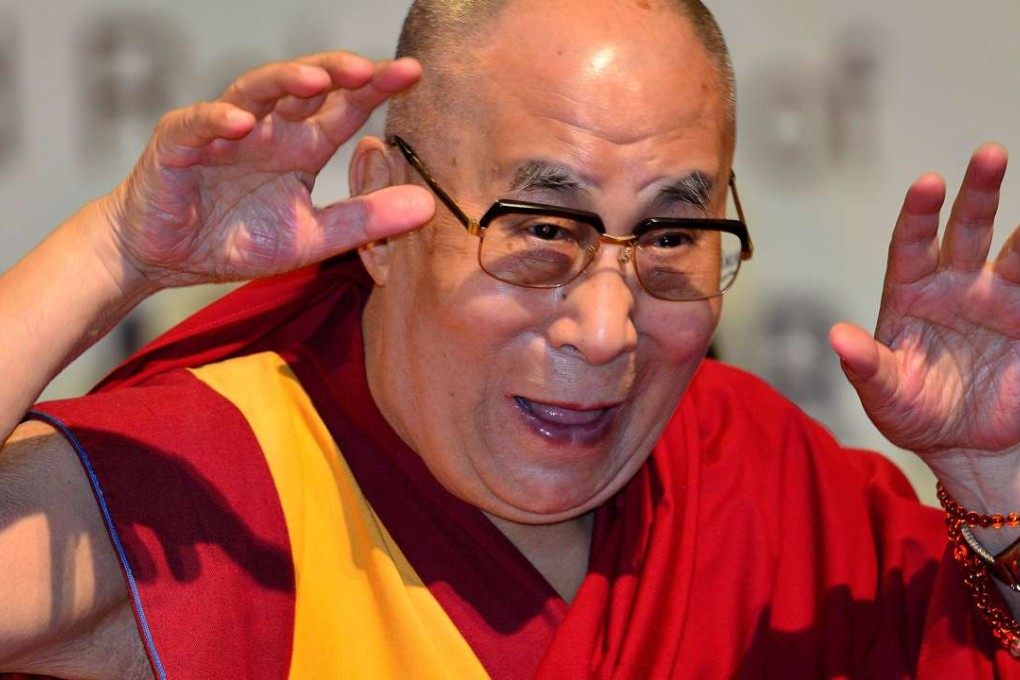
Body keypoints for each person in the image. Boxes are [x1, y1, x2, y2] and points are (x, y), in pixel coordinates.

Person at [2, 0, 1020, 677]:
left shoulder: (755, 483)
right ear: (385, 219)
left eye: (671, 236)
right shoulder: (229, 483)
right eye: (540, 229)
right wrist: (108, 251)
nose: (606, 329)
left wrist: (1000, 486)